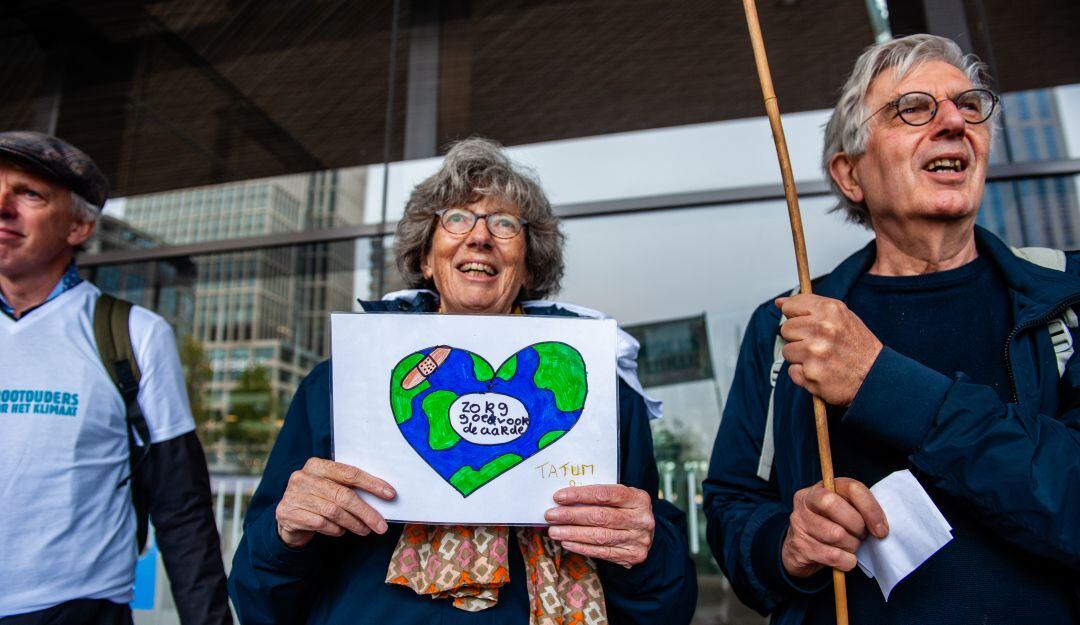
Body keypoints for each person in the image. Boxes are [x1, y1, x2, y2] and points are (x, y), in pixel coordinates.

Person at [227, 137, 697, 624]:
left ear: (529, 265)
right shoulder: (342, 384)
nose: (479, 236)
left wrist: (643, 548)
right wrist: (286, 532)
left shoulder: (598, 390)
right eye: (455, 218)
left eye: (504, 223)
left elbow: (668, 606)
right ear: (426, 259)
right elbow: (258, 600)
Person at [703, 34, 1080, 624]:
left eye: (969, 104)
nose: (954, 121)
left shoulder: (1067, 302)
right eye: (913, 109)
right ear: (851, 175)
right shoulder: (790, 326)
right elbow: (732, 507)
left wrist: (881, 384)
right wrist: (786, 545)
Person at [0, 131, 232, 625]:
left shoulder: (133, 334)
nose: (3, 207)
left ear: (80, 226)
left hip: (74, 609)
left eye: (29, 194)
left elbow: (181, 506)